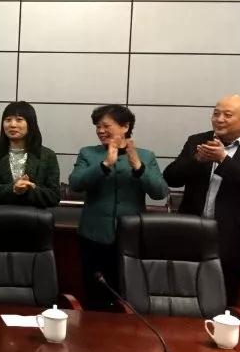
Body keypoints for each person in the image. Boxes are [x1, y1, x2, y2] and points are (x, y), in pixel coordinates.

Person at [69, 104, 168, 310]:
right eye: (98, 126)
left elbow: (160, 192)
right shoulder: (88, 153)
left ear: (125, 126)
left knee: (129, 294)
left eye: (106, 126)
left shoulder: (145, 156)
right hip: (94, 235)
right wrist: (105, 164)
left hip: (131, 237)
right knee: (95, 294)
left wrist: (137, 166)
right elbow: (75, 184)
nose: (100, 131)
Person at [163, 95, 240, 305]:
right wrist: (196, 160)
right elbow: (171, 178)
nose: (219, 119)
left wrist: (223, 160)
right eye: (216, 113)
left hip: (233, 236)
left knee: (223, 298)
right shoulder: (197, 140)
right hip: (192, 230)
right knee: (184, 293)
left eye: (227, 115)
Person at [0, 101, 60, 207]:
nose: (12, 125)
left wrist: (31, 189)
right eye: (8, 120)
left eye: (19, 120)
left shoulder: (47, 156)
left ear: (30, 124)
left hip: (33, 215)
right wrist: (12, 189)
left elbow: (54, 196)